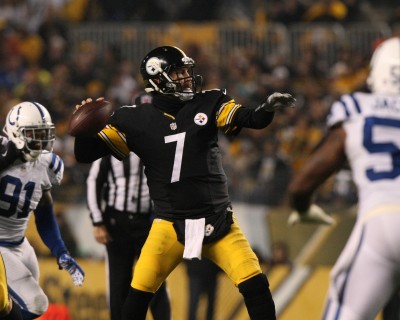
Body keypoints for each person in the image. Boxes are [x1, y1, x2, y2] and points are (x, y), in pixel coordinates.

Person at [72, 45, 296, 320]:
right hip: (169, 223)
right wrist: (82, 131)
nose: (187, 77)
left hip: (217, 220)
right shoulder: (133, 118)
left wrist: (266, 109)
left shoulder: (209, 102)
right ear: (157, 79)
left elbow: (250, 118)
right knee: (137, 296)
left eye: (186, 71)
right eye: (178, 72)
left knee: (256, 285)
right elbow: (85, 155)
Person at [287, 36, 400, 319]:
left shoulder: (357, 108)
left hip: (381, 225)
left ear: (377, 74)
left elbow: (303, 182)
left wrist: (303, 207)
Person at [0, 101, 85, 319]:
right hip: (0, 246)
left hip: (20, 243)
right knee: (34, 304)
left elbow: (45, 212)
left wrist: (60, 250)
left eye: (43, 133)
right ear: (16, 132)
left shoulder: (47, 164)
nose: (40, 140)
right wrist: (7, 159)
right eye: (33, 134)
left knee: (31, 308)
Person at [87, 150, 171, 320]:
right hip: (117, 223)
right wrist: (97, 221)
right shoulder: (110, 146)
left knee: (155, 279)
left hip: (149, 221)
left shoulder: (152, 142)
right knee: (119, 283)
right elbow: (93, 181)